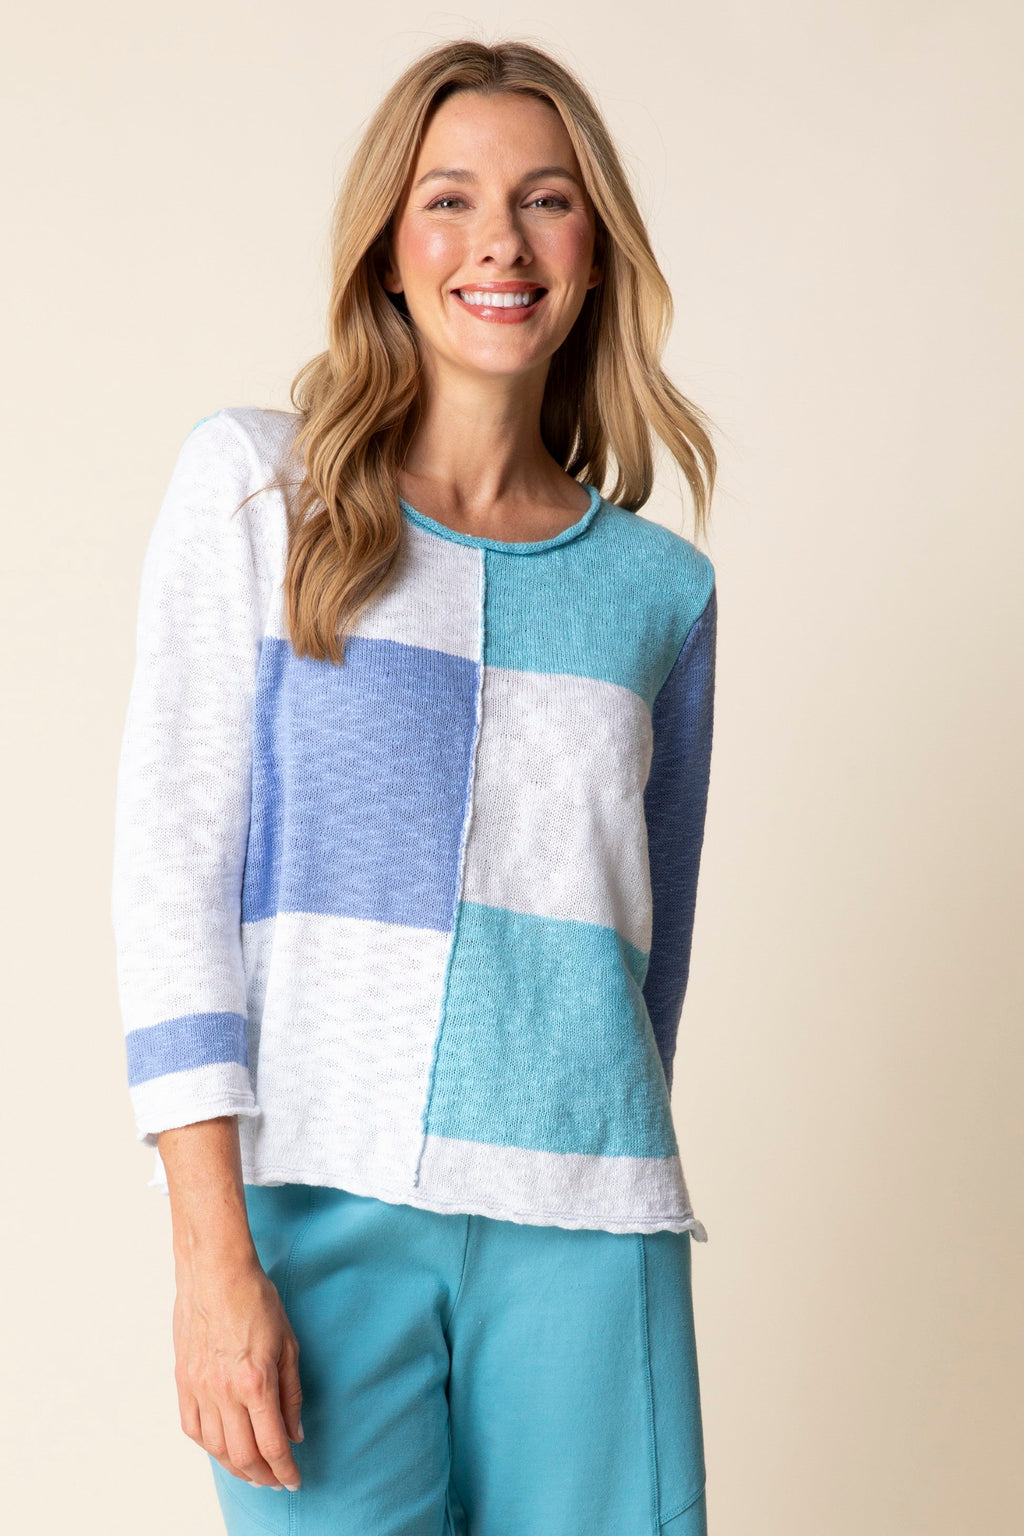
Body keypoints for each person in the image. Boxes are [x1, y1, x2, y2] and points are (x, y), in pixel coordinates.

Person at [111, 37, 719, 1536]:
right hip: (314, 1216)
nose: (499, 242)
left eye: (546, 200)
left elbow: (648, 961)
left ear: (595, 249)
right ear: (389, 246)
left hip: (587, 1224)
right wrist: (209, 1255)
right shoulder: (260, 492)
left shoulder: (659, 591)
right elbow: (172, 874)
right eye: (449, 200)